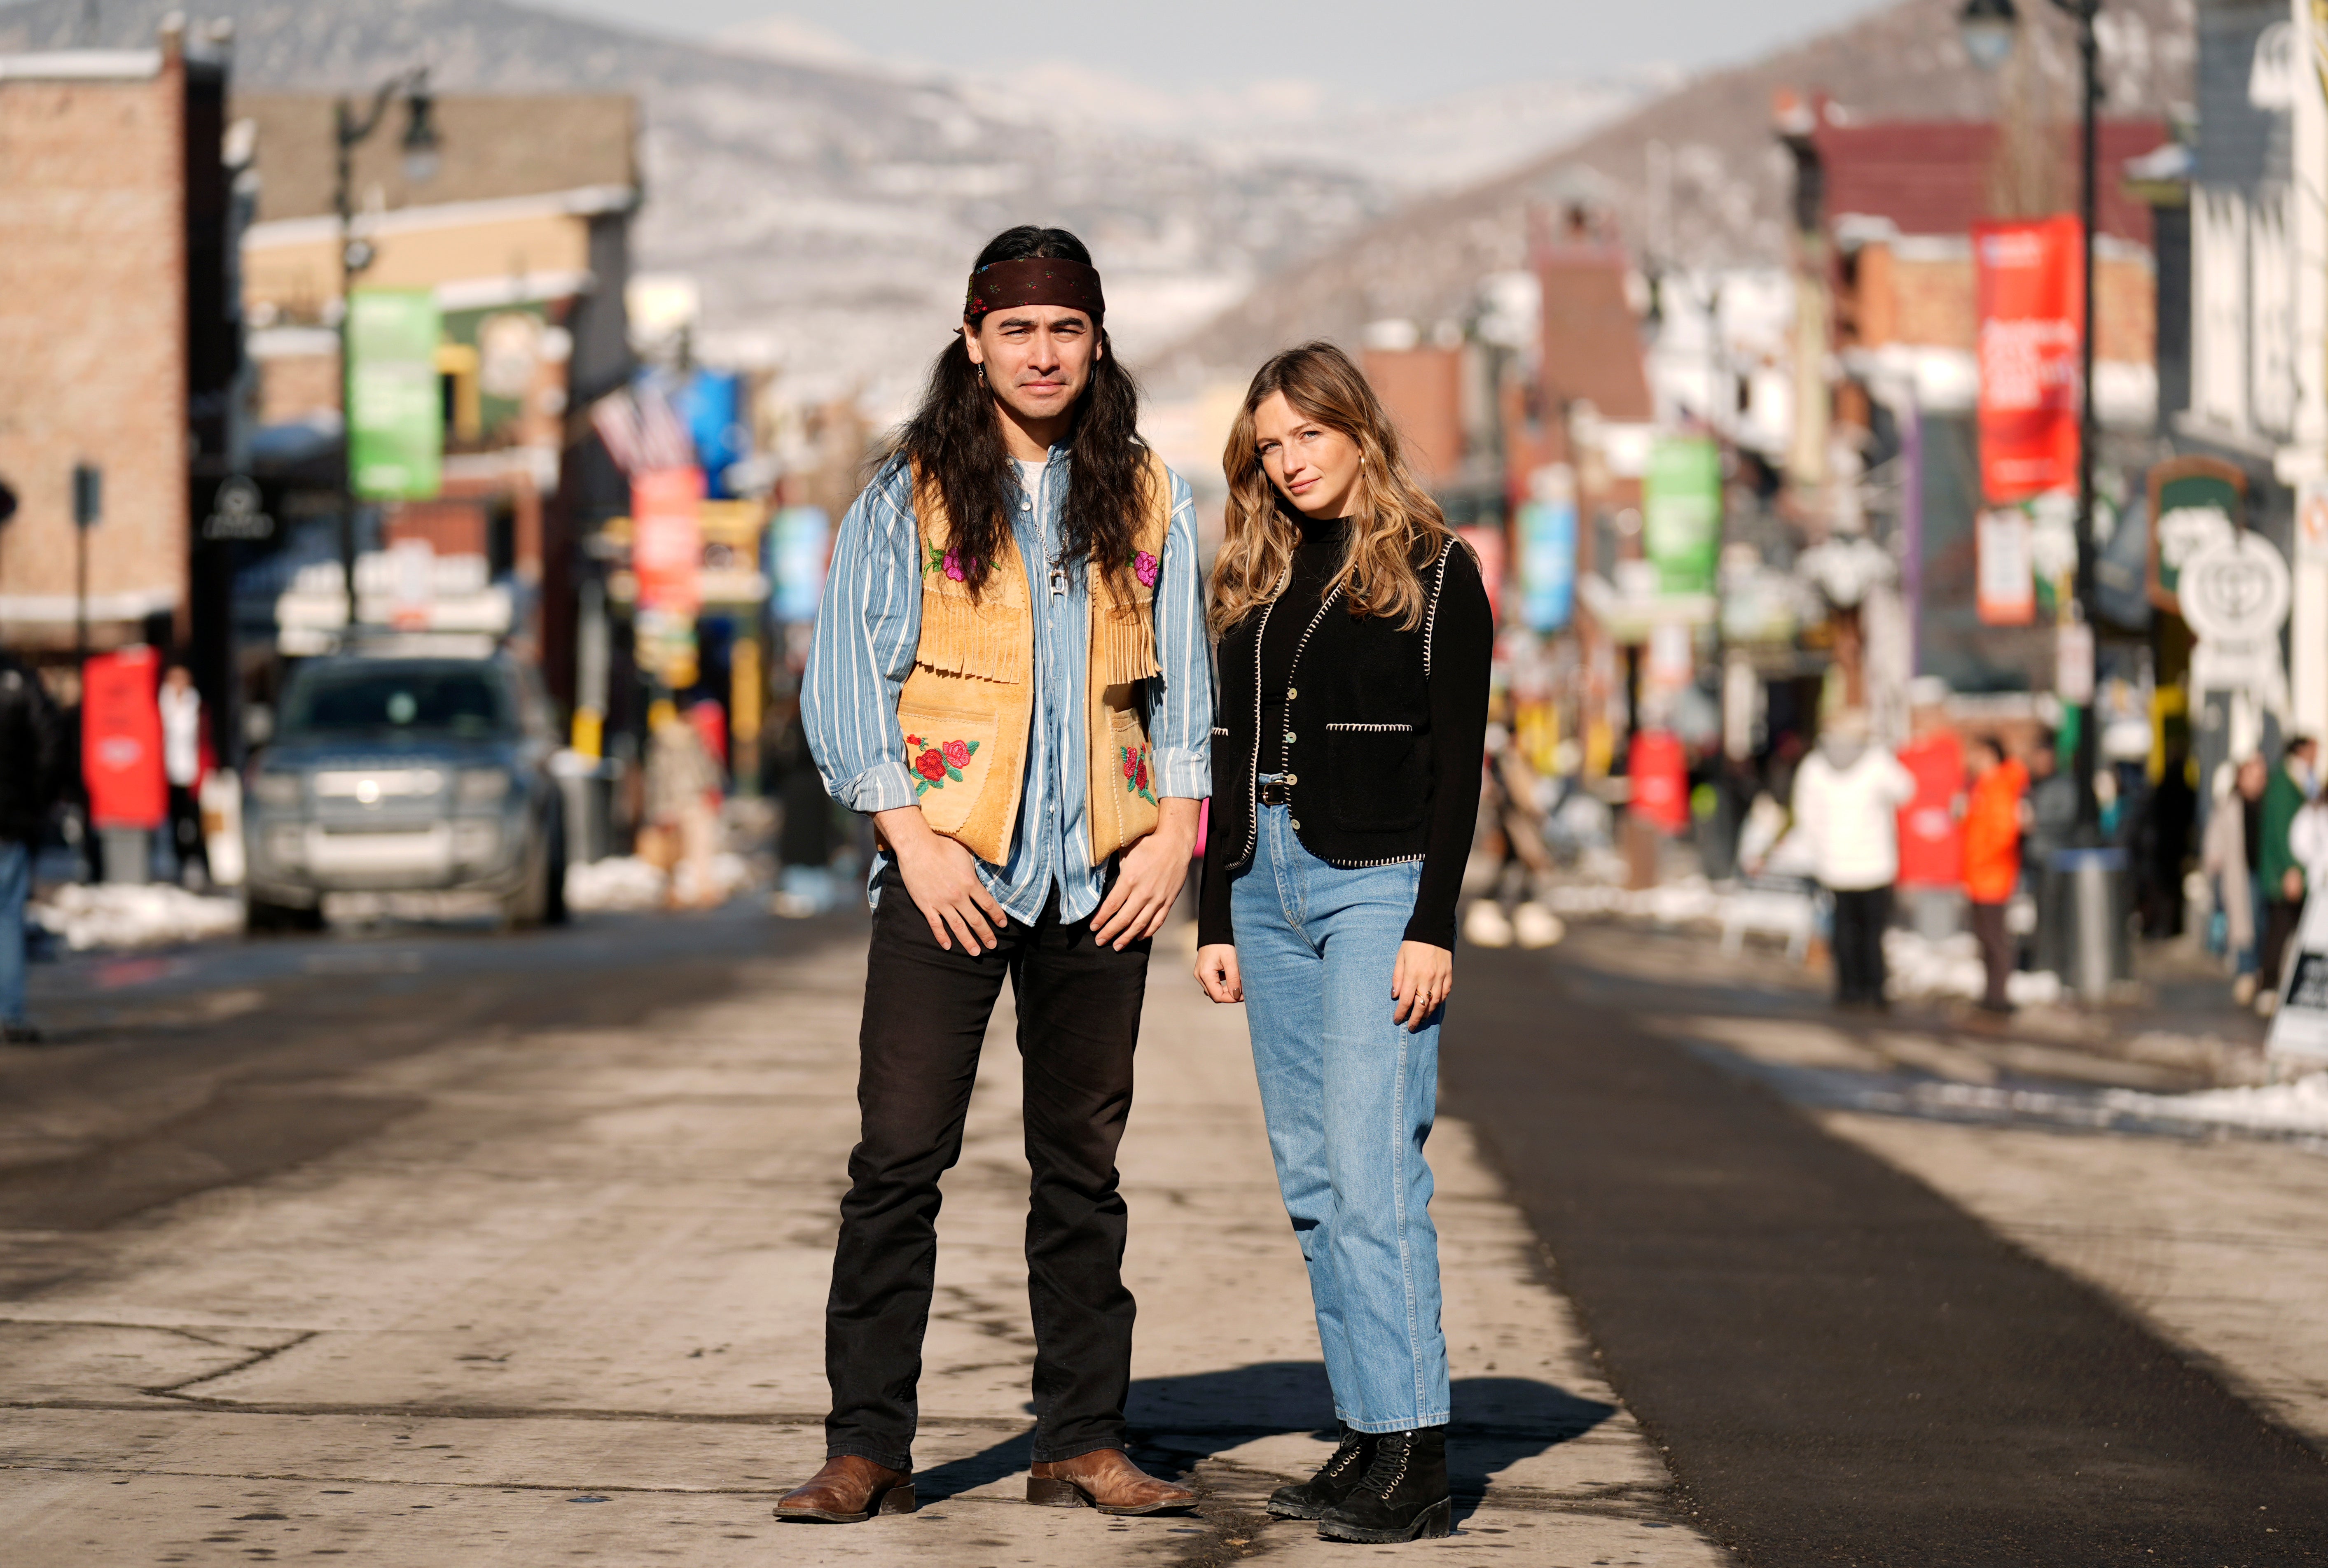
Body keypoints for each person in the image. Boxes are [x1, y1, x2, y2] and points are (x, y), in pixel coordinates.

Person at [785, 226, 1210, 1525]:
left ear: (1097, 343)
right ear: (974, 341)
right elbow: (846, 680)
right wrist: (910, 839)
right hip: (945, 873)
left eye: (1065, 329)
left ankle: (1079, 1437)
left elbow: (1185, 673)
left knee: (1081, 1171)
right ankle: (869, 1446)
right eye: (1017, 329)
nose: (1042, 353)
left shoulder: (1149, 494)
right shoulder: (904, 492)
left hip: (1102, 877)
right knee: (898, 1160)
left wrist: (1175, 829)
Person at [1194, 343, 1493, 1545]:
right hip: (1264, 882)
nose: (1291, 463)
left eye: (1308, 436)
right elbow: (1222, 750)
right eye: (1270, 445)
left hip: (1380, 889)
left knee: (1375, 1172)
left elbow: (1460, 762)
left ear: (1358, 430)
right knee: (1315, 1182)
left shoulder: (1439, 570)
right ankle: (1368, 1431)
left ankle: (1417, 1452)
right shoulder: (1254, 578)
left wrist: (1436, 925)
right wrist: (1216, 910)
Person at [1790, 710, 1914, 1009]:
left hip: (1836, 863)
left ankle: (1848, 989)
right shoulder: (1877, 762)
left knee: (1844, 928)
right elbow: (1906, 790)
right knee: (1873, 931)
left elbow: (1805, 815)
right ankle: (1876, 989)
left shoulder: (1814, 765)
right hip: (1875, 862)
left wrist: (1819, 849)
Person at [0, 651, 62, 1043]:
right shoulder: (21, 680)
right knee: (8, 919)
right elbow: (50, 745)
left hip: (14, 816)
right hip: (12, 819)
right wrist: (37, 804)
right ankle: (11, 1014)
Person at [1961, 735, 2026, 1013]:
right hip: (1981, 875)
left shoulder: (1998, 788)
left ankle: (1999, 997)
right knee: (1986, 938)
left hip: (1992, 876)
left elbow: (2003, 834)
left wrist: (1982, 862)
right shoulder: (1983, 787)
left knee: (1995, 938)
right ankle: (1992, 994)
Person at [2257, 734, 2316, 1013]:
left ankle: (2282, 983)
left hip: (2295, 870)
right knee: (2280, 929)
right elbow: (2283, 831)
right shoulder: (2286, 783)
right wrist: (2290, 868)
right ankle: (2269, 985)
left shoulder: (2301, 779)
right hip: (2286, 873)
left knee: (2289, 929)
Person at [644, 698, 721, 909]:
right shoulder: (695, 738)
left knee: (672, 851)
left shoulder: (661, 740)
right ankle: (704, 888)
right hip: (694, 798)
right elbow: (709, 768)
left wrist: (658, 807)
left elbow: (657, 777)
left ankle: (673, 891)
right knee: (700, 847)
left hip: (672, 800)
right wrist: (712, 790)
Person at [2202, 755, 2267, 1006]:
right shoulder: (2230, 805)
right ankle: (2247, 974)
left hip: (2264, 872)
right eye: (2252, 775)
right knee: (2244, 925)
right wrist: (2214, 860)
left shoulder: (2267, 803)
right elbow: (2214, 837)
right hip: (2241, 874)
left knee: (2262, 923)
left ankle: (2259, 972)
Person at [2024, 736, 2078, 976]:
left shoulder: (2063, 785)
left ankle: (2051, 964)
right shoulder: (2034, 785)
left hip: (2054, 860)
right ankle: (2043, 961)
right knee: (2040, 914)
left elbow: (2065, 818)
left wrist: (2034, 821)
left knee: (2052, 916)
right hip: (2037, 860)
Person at [158, 661, 208, 886]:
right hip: (167, 773)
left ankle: (198, 863)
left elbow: (205, 740)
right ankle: (178, 863)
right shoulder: (160, 705)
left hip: (192, 772)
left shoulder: (196, 706)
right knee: (175, 822)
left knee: (196, 820)